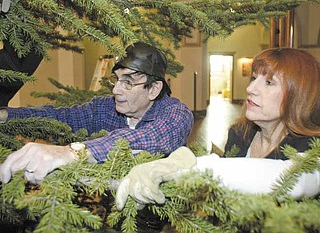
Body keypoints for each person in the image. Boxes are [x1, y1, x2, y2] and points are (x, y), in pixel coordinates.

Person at [115, 47, 320, 210]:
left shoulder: (313, 146)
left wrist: (184, 169)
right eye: (253, 78)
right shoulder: (240, 134)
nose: (250, 89)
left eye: (268, 82)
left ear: (298, 94)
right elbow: (229, 180)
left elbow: (294, 181)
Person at [0, 42, 194, 184]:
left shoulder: (176, 113)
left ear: (154, 89)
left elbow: (152, 137)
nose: (116, 90)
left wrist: (74, 152)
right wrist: (8, 115)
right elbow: (62, 117)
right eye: (117, 80)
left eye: (128, 82)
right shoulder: (106, 108)